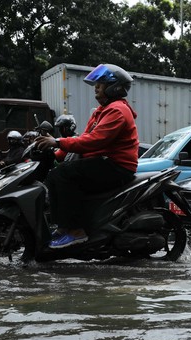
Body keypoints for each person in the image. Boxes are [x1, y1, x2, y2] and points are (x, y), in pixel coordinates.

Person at [34, 63, 139, 248]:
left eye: (101, 84)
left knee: (63, 175)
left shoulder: (117, 110)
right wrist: (57, 153)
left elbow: (96, 140)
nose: (96, 88)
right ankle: (63, 228)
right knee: (54, 175)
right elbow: (84, 137)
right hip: (104, 163)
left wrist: (58, 142)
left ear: (114, 87)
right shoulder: (101, 111)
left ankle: (76, 232)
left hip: (117, 166)